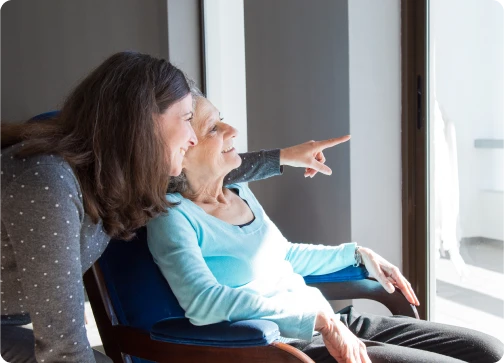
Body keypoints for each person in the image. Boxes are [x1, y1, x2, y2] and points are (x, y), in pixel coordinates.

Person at [0, 51, 345, 363]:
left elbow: (203, 168)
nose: (193, 139)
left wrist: (283, 158)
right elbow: (63, 347)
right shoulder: (47, 184)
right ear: (143, 123)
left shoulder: (116, 177)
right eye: (185, 119)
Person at [147, 94, 504, 363]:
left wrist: (356, 253)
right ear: (181, 151)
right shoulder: (173, 218)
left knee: (489, 351)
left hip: (330, 321)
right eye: (214, 128)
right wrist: (320, 322)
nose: (232, 130)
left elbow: (283, 255)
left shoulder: (238, 191)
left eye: (222, 120)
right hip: (291, 345)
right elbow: (203, 303)